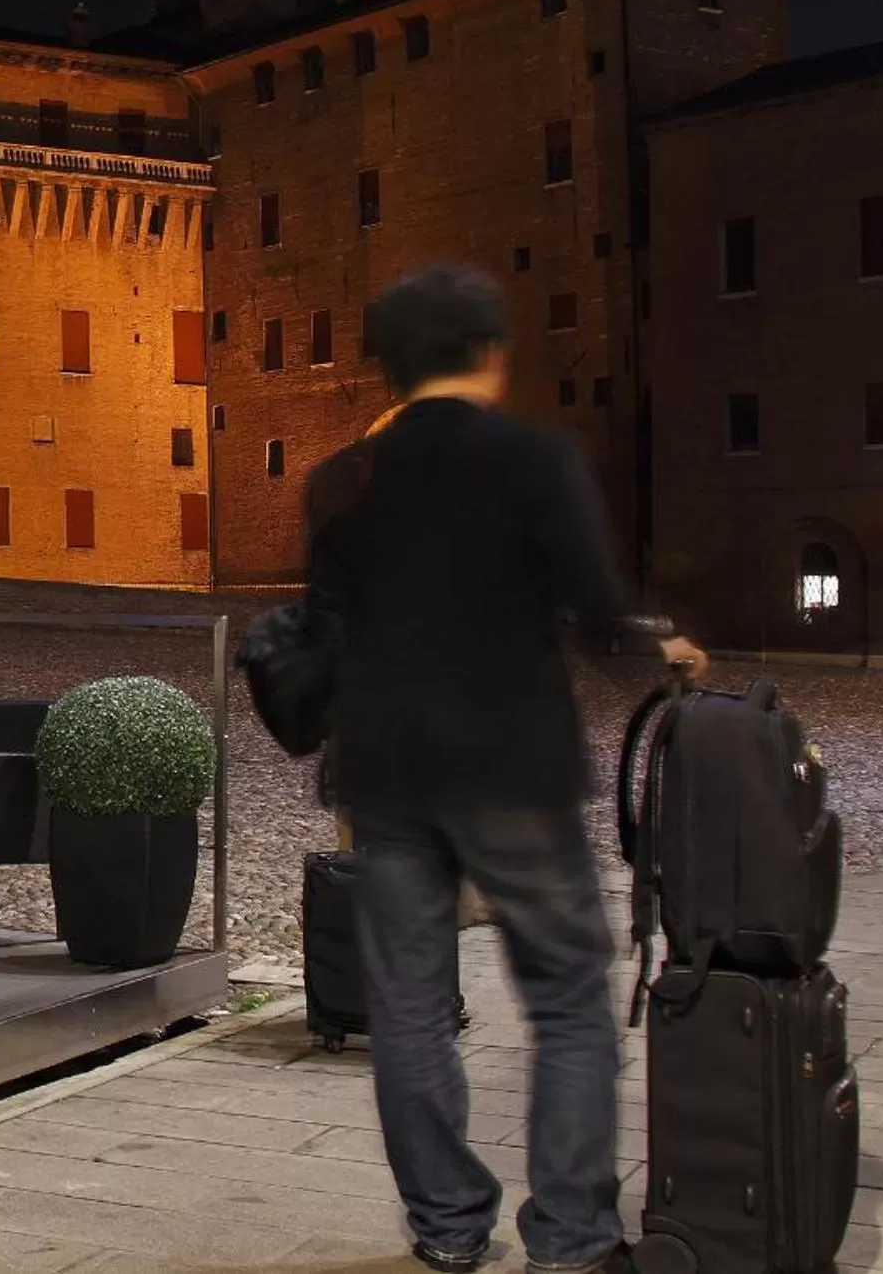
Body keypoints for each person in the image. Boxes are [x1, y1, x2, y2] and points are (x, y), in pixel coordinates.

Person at [305, 266, 704, 1274]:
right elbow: (592, 605)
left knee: (407, 1011)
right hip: (509, 766)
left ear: (388, 365)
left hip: (385, 773)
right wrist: (663, 653)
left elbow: (331, 625)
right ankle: (569, 1238)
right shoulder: (531, 458)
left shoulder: (340, 480)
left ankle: (445, 1230)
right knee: (567, 997)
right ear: (489, 352)